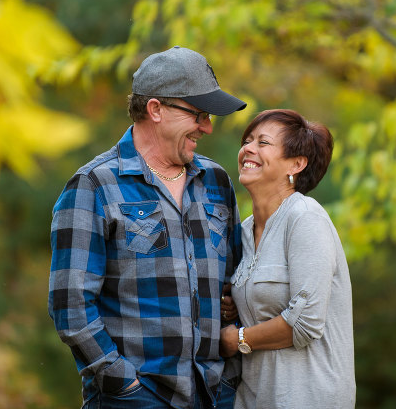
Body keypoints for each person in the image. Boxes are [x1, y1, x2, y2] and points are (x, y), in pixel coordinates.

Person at [49, 46, 246, 409]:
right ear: (155, 110)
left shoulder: (216, 181)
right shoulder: (94, 185)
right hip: (134, 398)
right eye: (198, 114)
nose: (207, 126)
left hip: (215, 395)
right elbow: (70, 305)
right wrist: (121, 384)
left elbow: (235, 277)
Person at [219, 109, 356, 408]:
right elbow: (262, 304)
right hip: (255, 398)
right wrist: (232, 309)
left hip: (308, 397)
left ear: (296, 163)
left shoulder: (305, 218)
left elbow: (305, 323)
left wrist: (237, 339)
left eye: (263, 142)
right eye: (248, 140)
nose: (248, 149)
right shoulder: (242, 231)